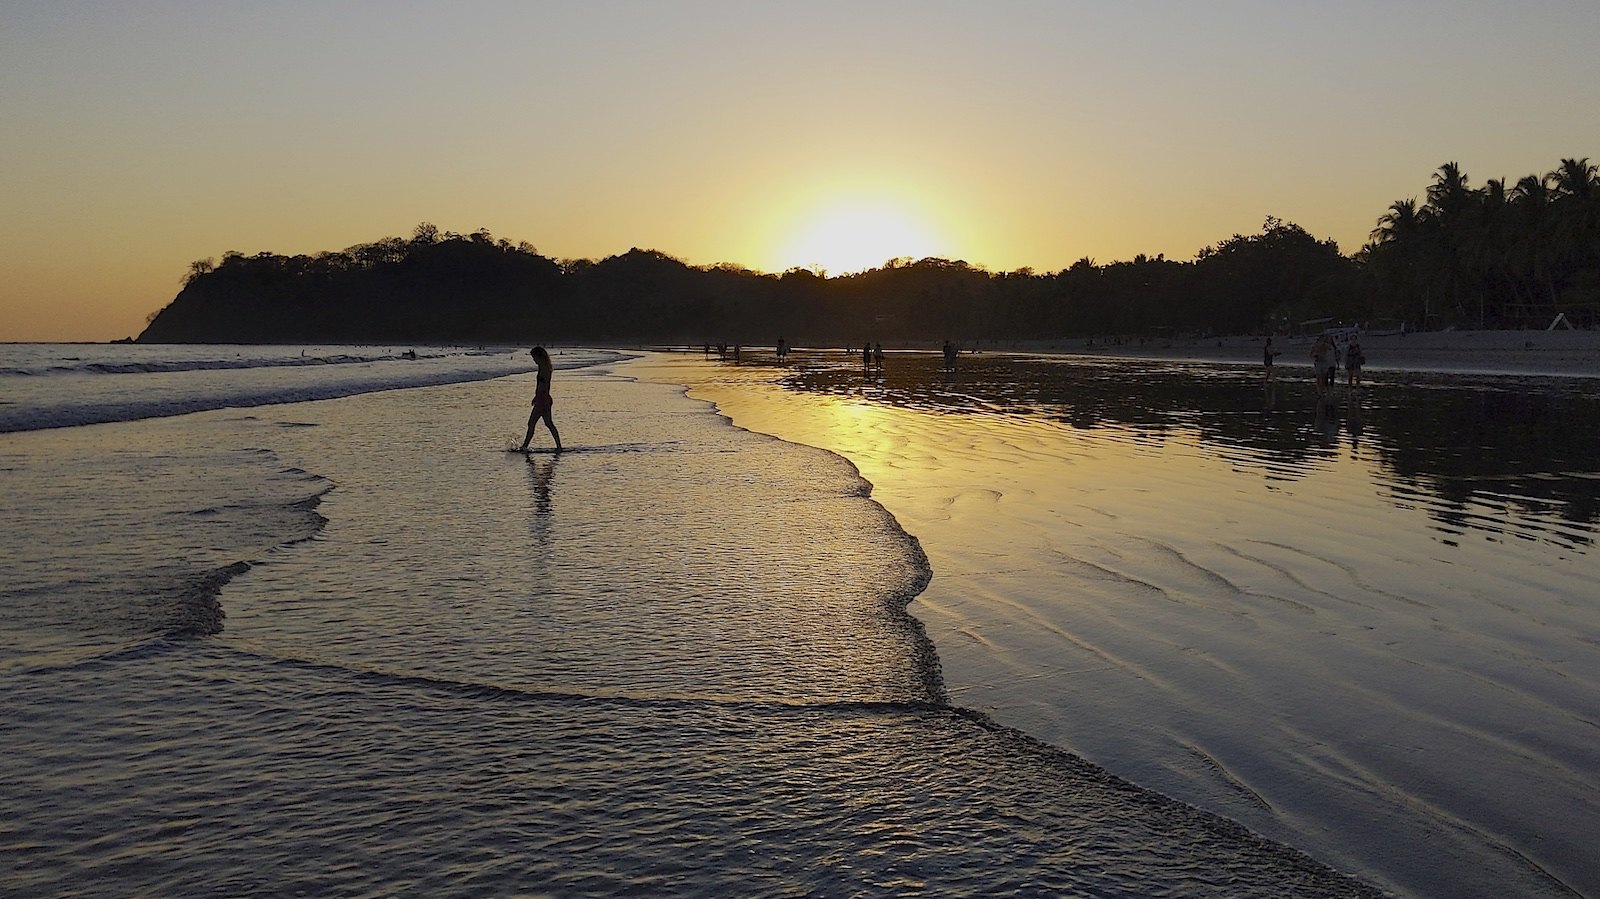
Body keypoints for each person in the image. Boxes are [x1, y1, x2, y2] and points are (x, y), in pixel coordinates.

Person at [519, 346, 562, 453]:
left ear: (540, 357)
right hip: (542, 398)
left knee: (532, 423)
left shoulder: (545, 369)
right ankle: (559, 446)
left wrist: (539, 398)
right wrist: (535, 396)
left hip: (543, 400)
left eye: (534, 358)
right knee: (548, 423)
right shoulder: (544, 367)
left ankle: (524, 446)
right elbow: (540, 386)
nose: (534, 360)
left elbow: (544, 386)